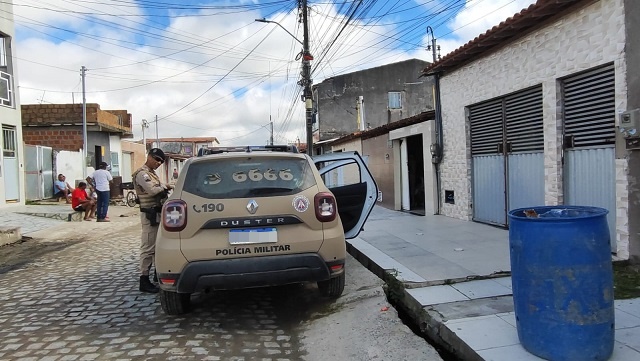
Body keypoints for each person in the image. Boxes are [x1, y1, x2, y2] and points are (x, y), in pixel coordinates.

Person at [132, 148, 172, 293]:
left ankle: (156, 275)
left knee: (157, 246)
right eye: (156, 159)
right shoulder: (142, 174)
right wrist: (167, 186)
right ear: (149, 157)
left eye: (161, 161)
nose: (158, 163)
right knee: (148, 248)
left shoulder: (151, 174)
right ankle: (144, 279)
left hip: (157, 213)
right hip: (149, 215)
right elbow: (153, 191)